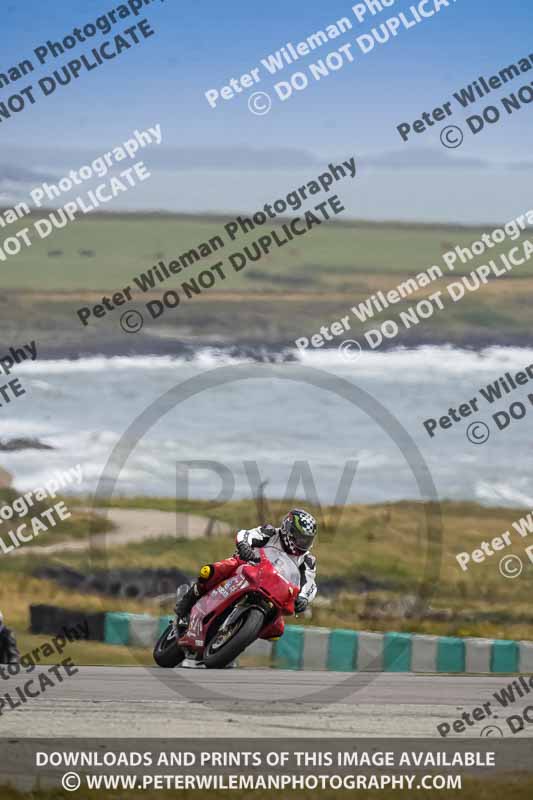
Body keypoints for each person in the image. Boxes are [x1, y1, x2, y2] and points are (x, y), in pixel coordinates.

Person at [176, 508, 318, 629]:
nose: (303, 543)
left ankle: (236, 640)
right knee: (210, 572)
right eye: (300, 538)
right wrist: (244, 545)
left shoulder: (307, 560)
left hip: (273, 590)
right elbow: (247, 534)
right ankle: (186, 605)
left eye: (307, 539)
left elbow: (310, 583)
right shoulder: (270, 533)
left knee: (277, 629)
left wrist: (304, 597)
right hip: (246, 568)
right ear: (288, 529)